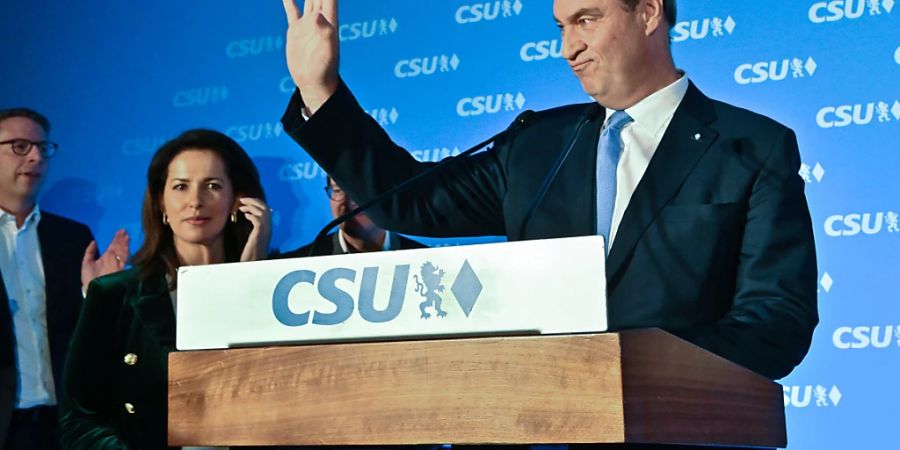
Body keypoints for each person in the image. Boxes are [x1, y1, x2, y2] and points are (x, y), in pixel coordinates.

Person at [278, 0, 818, 380]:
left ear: (649, 12)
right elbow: (409, 199)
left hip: (679, 429)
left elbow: (775, 323)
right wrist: (320, 90)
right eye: (560, 25)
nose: (568, 47)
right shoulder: (537, 143)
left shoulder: (751, 147)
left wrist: (633, 365)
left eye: (586, 20)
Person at [58, 129, 271, 449]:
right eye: (181, 187)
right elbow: (79, 420)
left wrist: (251, 274)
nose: (196, 201)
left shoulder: (276, 287)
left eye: (212, 186)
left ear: (236, 200)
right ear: (161, 203)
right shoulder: (114, 296)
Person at [0, 108, 129, 450]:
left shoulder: (72, 237)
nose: (35, 157)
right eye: (19, 146)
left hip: (64, 422)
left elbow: (89, 337)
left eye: (43, 148)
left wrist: (98, 294)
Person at [281, 176, 426, 258]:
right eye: (337, 190)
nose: (348, 203)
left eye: (358, 191)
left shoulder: (423, 259)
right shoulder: (301, 262)